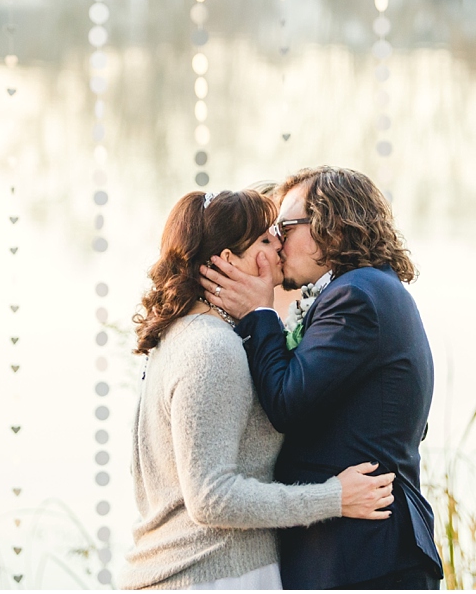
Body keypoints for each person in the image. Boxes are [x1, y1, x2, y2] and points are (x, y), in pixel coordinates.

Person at [122, 189, 395, 590]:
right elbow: (212, 498)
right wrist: (333, 497)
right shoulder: (212, 348)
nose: (280, 246)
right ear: (229, 261)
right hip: (214, 574)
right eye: (266, 239)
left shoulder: (180, 337)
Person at [200, 167, 444, 590]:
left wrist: (259, 314)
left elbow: (287, 403)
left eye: (285, 226)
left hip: (360, 556)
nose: (276, 242)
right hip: (366, 552)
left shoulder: (355, 298)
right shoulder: (375, 289)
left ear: (328, 226)